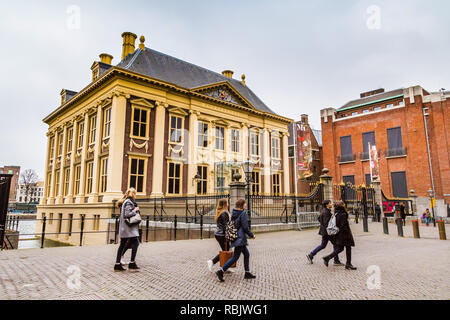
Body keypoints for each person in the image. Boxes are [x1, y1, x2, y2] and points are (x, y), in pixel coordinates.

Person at [216, 199, 256, 282]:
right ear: (242, 205)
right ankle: (221, 271)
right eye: (245, 204)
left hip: (236, 237)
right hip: (240, 238)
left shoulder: (234, 213)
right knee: (235, 257)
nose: (246, 205)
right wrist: (251, 235)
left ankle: (247, 272)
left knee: (246, 254)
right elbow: (245, 227)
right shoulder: (243, 213)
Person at [306, 200, 343, 266]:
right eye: (330, 203)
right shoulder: (326, 212)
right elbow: (326, 223)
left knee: (323, 245)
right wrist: (331, 220)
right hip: (328, 232)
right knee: (336, 245)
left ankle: (311, 255)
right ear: (327, 205)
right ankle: (336, 260)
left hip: (324, 232)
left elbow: (319, 219)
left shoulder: (324, 211)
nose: (331, 204)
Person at [322, 201, 357, 270]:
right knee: (348, 248)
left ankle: (327, 258)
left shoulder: (337, 213)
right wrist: (347, 234)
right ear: (342, 206)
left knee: (340, 249)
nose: (345, 205)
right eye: (343, 204)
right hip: (345, 234)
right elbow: (343, 225)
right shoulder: (343, 214)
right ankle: (348, 264)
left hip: (340, 234)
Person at [114, 188, 141, 271]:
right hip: (128, 228)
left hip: (126, 228)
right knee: (135, 242)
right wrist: (135, 210)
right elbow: (127, 214)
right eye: (135, 194)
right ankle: (131, 263)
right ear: (133, 194)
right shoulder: (129, 202)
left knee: (123, 244)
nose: (136, 196)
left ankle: (118, 264)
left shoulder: (126, 201)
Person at [207, 199, 233, 273]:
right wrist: (228, 237)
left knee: (226, 250)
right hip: (222, 234)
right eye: (227, 203)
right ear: (225, 204)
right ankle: (212, 262)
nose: (228, 204)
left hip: (219, 234)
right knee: (225, 251)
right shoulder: (224, 213)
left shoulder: (220, 212)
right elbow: (226, 226)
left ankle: (225, 267)